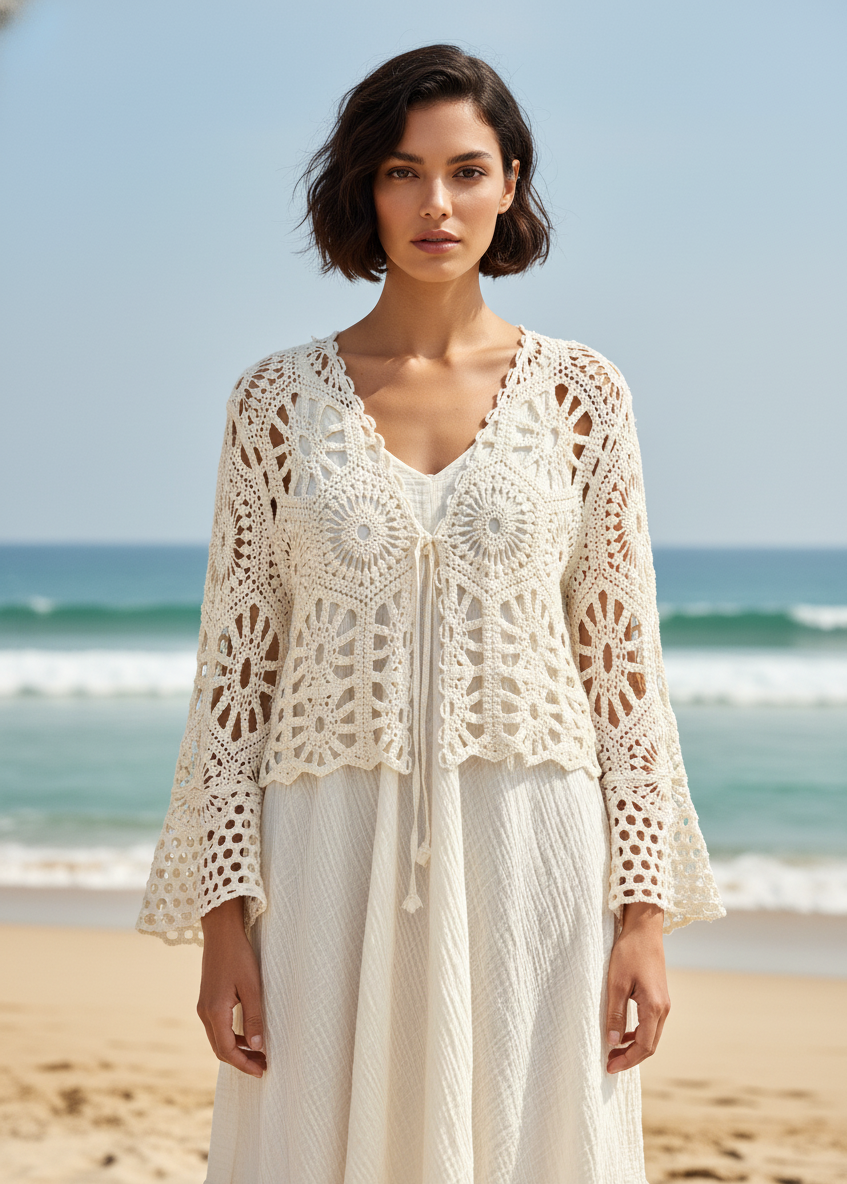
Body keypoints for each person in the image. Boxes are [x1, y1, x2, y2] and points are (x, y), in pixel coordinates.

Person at [137, 44, 725, 1184]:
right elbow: (234, 684)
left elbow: (626, 677)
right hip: (325, 855)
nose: (435, 204)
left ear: (511, 184)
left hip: (534, 853)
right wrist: (222, 924)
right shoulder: (275, 403)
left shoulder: (583, 397)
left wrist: (643, 920)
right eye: (402, 172)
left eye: (465, 171)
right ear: (364, 189)